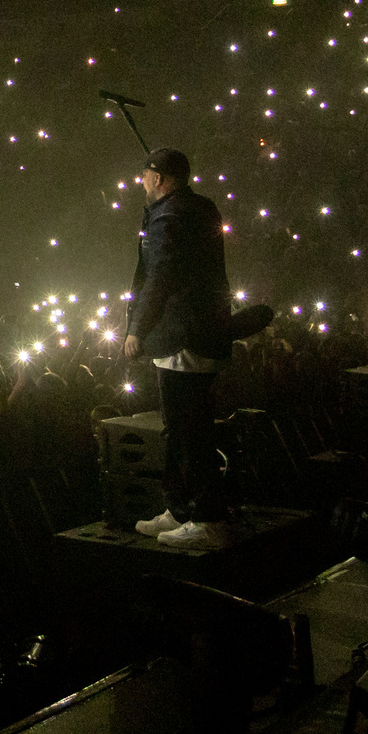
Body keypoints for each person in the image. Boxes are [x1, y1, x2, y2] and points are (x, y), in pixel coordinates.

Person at [122, 147, 233, 548]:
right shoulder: (199, 208)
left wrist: (137, 328)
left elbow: (159, 276)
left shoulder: (170, 218)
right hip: (198, 331)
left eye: (145, 175)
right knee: (180, 428)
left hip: (182, 335)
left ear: (160, 178)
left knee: (189, 431)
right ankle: (181, 508)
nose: (141, 181)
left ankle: (208, 518)